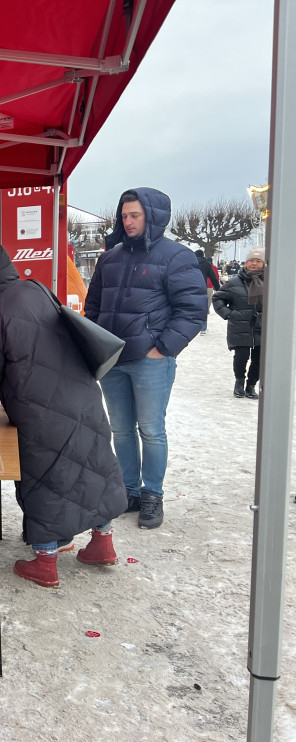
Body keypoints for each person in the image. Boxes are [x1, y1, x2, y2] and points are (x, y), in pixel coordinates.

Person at [0, 238, 127, 588]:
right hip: (80, 391)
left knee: (45, 473)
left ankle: (46, 560)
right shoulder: (35, 288)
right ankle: (102, 544)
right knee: (91, 461)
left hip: (37, 405)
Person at [84, 188, 206, 530]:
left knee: (151, 430)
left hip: (150, 359)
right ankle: (129, 490)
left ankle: (152, 494)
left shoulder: (176, 257)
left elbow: (192, 311)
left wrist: (162, 348)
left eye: (135, 215)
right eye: (124, 215)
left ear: (152, 216)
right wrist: (94, 340)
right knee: (120, 429)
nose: (128, 221)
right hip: (112, 359)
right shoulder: (110, 257)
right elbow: (93, 305)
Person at [212, 245, 265, 399]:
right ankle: (239, 382)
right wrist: (229, 314)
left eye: (258, 261)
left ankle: (251, 385)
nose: (254, 264)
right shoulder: (235, 282)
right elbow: (218, 298)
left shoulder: (270, 282)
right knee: (241, 356)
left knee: (259, 358)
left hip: (262, 327)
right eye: (251, 261)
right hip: (240, 325)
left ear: (264, 263)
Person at [193, 249, 220, 334]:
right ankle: (203, 329)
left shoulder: (190, 263)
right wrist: (218, 289)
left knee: (191, 308)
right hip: (202, 288)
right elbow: (213, 277)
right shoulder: (207, 264)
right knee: (203, 308)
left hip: (190, 289)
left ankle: (192, 327)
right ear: (203, 255)